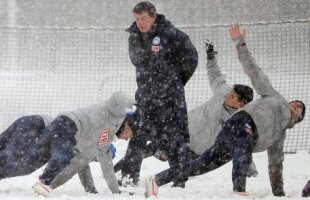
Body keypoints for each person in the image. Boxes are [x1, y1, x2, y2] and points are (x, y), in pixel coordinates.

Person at [144, 22, 306, 198]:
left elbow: (275, 164)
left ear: (297, 120)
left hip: (221, 138)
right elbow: (254, 71)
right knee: (154, 144)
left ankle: (156, 180)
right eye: (297, 102)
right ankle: (239, 190)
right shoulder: (274, 98)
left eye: (301, 108)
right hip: (240, 123)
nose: (298, 104)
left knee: (199, 166)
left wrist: (279, 193)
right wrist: (239, 43)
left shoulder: (278, 137)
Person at [114, 40, 258, 187]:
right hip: (181, 131)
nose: (229, 96)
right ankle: (119, 171)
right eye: (231, 93)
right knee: (145, 147)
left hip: (196, 150)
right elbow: (215, 75)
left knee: (179, 170)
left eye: (233, 97)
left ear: (241, 103)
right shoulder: (223, 92)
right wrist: (210, 57)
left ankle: (177, 187)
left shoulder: (238, 119)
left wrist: (250, 168)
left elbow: (243, 144)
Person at [117, 1, 198, 186]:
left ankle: (178, 178)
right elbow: (137, 61)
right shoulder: (133, 36)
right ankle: (129, 177)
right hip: (145, 96)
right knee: (137, 135)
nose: (140, 23)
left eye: (143, 18)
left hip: (169, 98)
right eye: (137, 19)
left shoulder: (171, 34)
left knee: (173, 138)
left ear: (153, 17)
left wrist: (175, 81)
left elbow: (191, 58)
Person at [0, 91, 135, 197]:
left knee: (26, 164)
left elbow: (81, 167)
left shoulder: (87, 142)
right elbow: (75, 167)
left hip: (49, 125)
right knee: (18, 156)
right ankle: (44, 182)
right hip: (47, 126)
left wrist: (91, 189)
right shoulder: (95, 143)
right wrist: (49, 184)